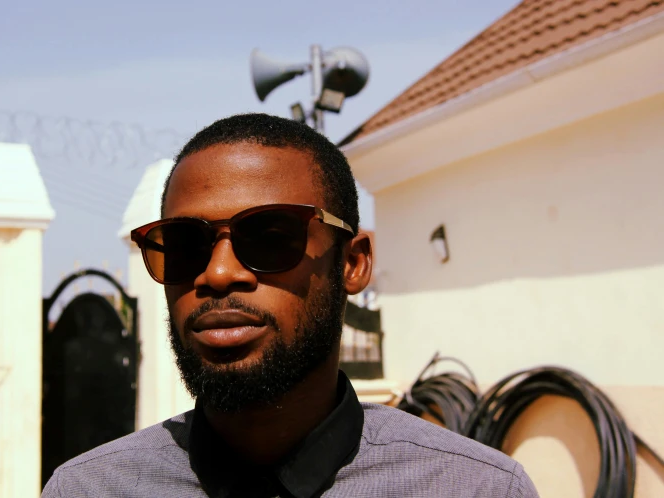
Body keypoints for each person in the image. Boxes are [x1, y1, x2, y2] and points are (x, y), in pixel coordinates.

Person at [41, 113, 539, 497]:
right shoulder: (90, 489)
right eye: (184, 244)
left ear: (353, 263)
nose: (217, 274)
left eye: (271, 236)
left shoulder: (472, 487)